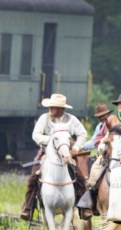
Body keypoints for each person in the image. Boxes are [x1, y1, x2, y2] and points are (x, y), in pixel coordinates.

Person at [20, 93, 87, 221]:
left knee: (79, 178)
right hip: (46, 153)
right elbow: (36, 135)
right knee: (33, 177)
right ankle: (28, 208)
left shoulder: (71, 120)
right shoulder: (44, 118)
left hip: (67, 153)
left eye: (53, 107)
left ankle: (84, 208)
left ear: (61, 108)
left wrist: (77, 146)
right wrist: (54, 140)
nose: (50, 109)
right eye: (50, 106)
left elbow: (82, 134)